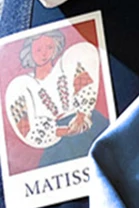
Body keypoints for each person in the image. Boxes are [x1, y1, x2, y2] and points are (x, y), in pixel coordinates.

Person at [4, 30, 105, 169]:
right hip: (57, 141)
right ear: (29, 52)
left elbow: (85, 83)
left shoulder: (67, 64)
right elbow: (26, 128)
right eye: (38, 50)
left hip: (87, 124)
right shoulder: (22, 85)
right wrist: (63, 131)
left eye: (49, 47)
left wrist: (82, 115)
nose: (44, 54)